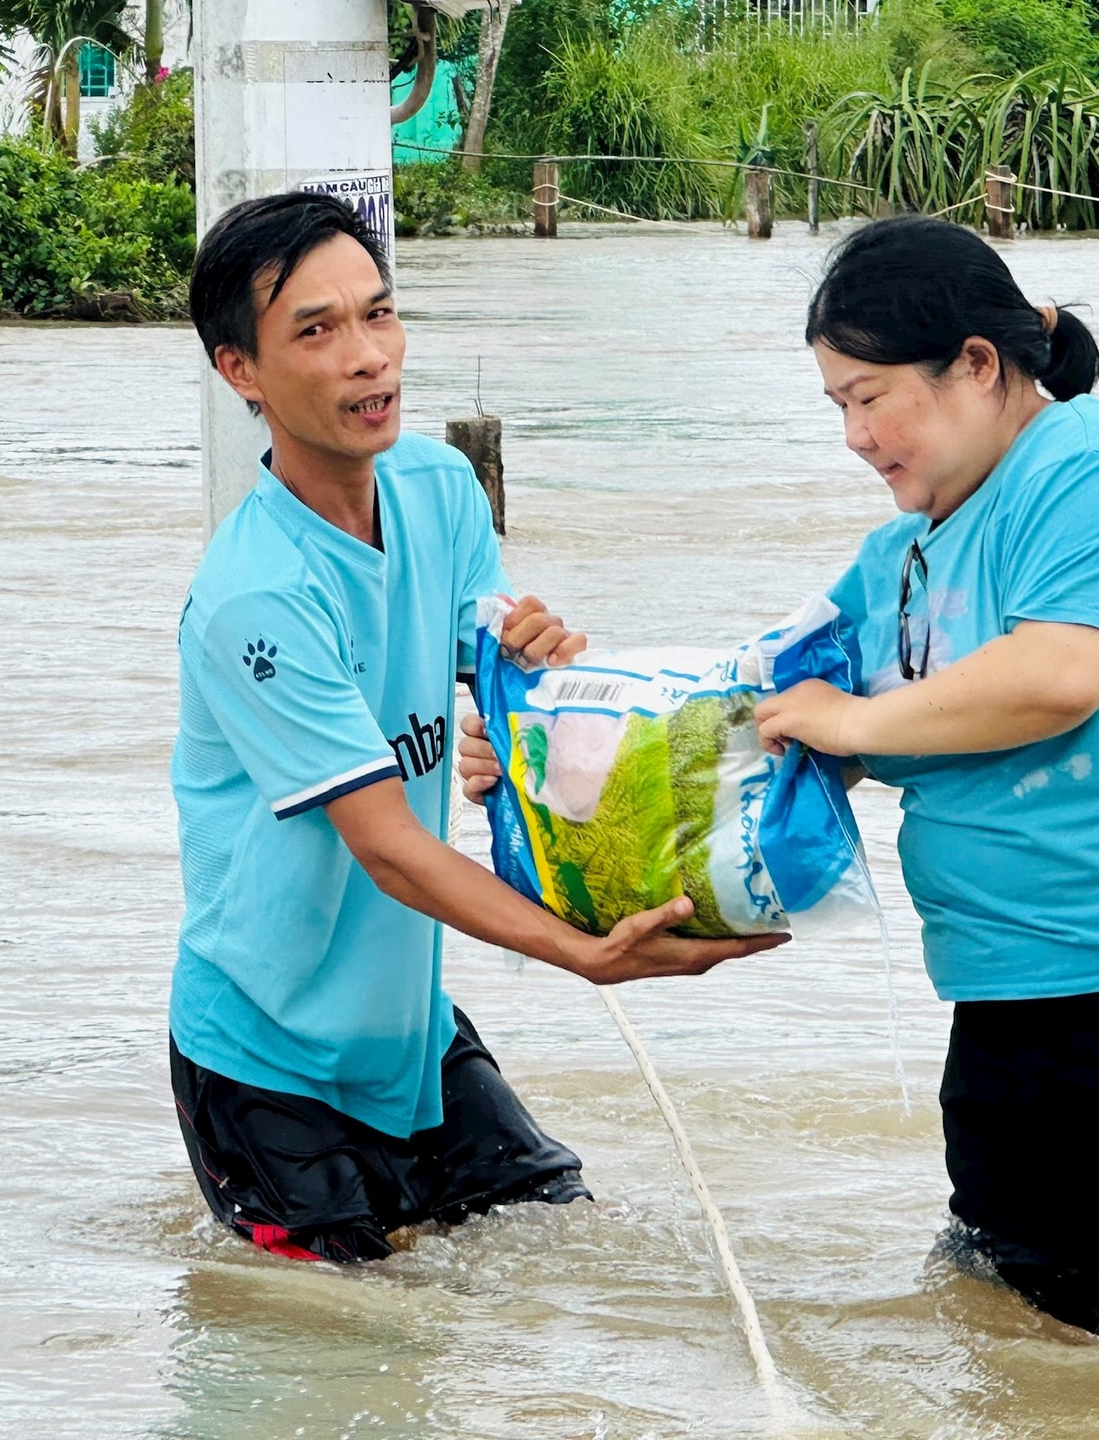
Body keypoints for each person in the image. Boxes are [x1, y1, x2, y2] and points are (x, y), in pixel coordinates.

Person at [462, 215, 1099, 1375]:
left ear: (979, 366)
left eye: (870, 396)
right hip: (1012, 990)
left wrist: (845, 719)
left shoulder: (1097, 463)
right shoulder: (887, 566)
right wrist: (544, 755)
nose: (853, 436)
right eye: (836, 405)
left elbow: (1058, 675)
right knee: (1014, 1323)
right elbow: (745, 733)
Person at [170, 192, 785, 1264]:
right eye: (317, 331)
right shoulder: (254, 597)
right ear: (242, 373)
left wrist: (533, 679)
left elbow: (494, 678)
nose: (368, 357)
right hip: (266, 1057)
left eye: (380, 315)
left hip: (408, 1031)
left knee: (566, 1258)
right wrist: (584, 954)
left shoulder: (441, 486)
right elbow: (389, 848)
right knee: (336, 1339)